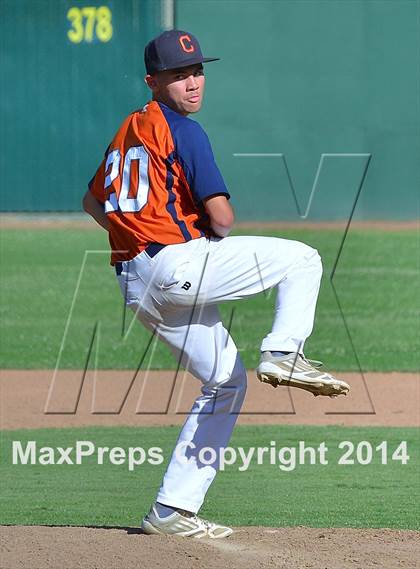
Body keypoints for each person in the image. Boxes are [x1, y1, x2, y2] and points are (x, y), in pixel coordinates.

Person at [82, 29, 350, 539]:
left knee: (226, 382)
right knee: (303, 259)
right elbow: (222, 219)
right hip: (177, 264)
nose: (192, 82)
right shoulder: (184, 131)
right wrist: (189, 233)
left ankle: (170, 510)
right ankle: (284, 350)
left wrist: (136, 237)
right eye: (179, 75)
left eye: (197, 70)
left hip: (137, 283)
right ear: (153, 81)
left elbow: (93, 202)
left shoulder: (127, 130)